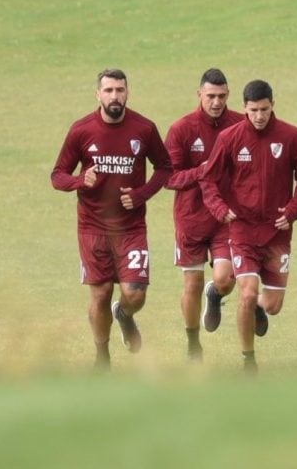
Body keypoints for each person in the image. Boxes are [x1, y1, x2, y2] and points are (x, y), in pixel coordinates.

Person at [51, 68, 172, 371]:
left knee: (135, 293)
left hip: (131, 227)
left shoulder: (143, 129)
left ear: (127, 93)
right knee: (101, 292)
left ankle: (126, 315)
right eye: (108, 91)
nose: (114, 96)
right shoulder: (81, 130)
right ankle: (101, 355)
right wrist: (81, 180)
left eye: (119, 90)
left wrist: (142, 194)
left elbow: (165, 167)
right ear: (98, 94)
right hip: (92, 227)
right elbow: (57, 176)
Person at [200, 79, 297, 373]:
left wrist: (293, 210)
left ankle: (258, 308)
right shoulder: (230, 138)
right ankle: (248, 360)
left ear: (273, 105)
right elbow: (208, 180)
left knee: (272, 304)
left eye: (264, 109)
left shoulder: (292, 136)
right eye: (253, 110)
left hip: (278, 233)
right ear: (244, 108)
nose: (259, 116)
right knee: (247, 293)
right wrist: (219, 208)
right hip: (243, 231)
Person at [164, 69, 245, 360]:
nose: (216, 102)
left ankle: (216, 294)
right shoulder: (181, 129)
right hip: (191, 218)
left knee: (225, 279)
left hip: (225, 217)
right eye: (210, 96)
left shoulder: (240, 124)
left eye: (222, 96)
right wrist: (205, 170)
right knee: (192, 284)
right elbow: (169, 178)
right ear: (199, 94)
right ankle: (192, 342)